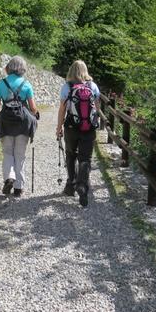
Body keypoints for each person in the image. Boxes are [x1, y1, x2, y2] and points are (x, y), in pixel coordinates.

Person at [0, 56, 39, 197]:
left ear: (9, 67)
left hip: (6, 122)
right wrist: (36, 114)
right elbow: (33, 107)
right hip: (23, 124)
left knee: (7, 153)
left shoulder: (1, 83)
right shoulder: (26, 84)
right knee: (20, 154)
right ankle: (18, 188)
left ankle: (9, 178)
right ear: (22, 68)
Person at [56, 60, 100, 207]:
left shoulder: (67, 87)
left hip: (71, 126)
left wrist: (59, 127)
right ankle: (82, 185)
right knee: (85, 157)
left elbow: (62, 109)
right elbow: (97, 108)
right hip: (88, 128)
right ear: (85, 70)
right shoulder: (93, 86)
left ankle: (71, 185)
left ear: (71, 71)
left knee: (70, 153)